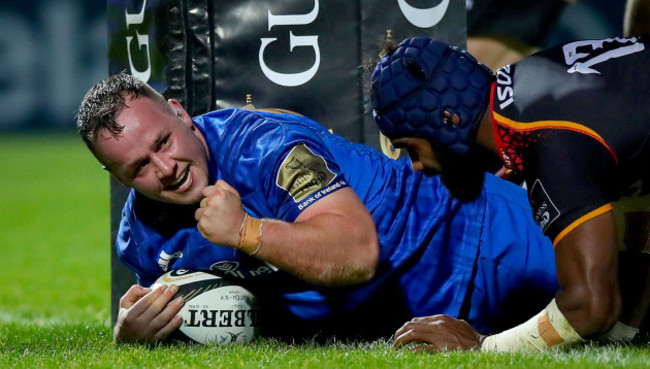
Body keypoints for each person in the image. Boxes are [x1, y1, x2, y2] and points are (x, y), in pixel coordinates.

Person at [77, 72, 558, 344]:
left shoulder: (266, 147)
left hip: (483, 239)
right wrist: (139, 334)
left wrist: (245, 230)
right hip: (410, 319)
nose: (165, 168)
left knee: (618, 307)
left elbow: (357, 251)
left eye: (164, 141)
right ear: (117, 178)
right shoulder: (141, 236)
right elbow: (199, 317)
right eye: (138, 167)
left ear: (181, 114)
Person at [370, 36, 650, 352]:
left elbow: (591, 307)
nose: (417, 166)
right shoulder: (529, 87)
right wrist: (623, 333)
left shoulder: (544, 136)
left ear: (448, 121)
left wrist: (482, 347)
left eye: (412, 148)